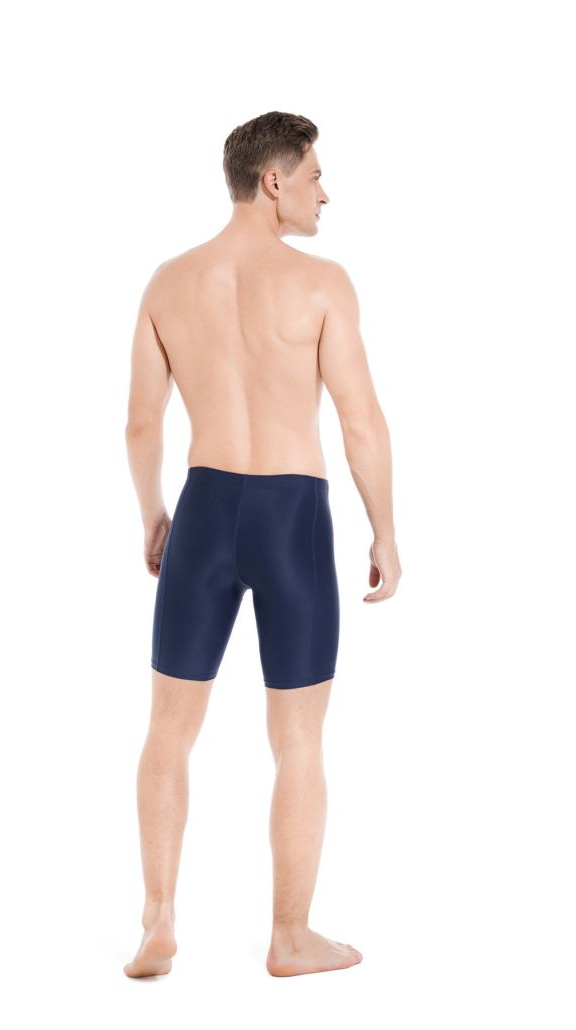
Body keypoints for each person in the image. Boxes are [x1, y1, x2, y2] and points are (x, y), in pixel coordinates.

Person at [124, 111, 401, 978]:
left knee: (169, 731)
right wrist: (385, 531)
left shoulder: (168, 282)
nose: (325, 193)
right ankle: (289, 935)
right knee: (299, 740)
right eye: (314, 175)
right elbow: (360, 423)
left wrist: (154, 515)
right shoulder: (321, 285)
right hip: (291, 519)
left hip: (203, 511)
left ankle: (158, 920)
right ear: (272, 180)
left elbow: (140, 425)